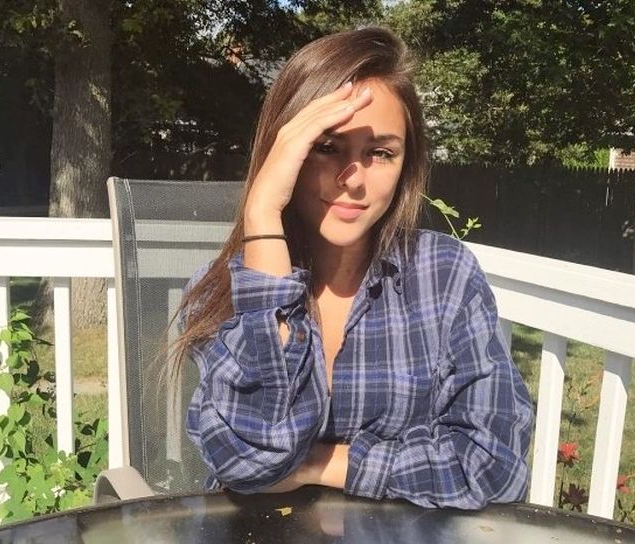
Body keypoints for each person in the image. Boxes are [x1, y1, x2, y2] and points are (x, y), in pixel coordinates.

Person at [173, 26, 533, 509]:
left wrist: (314, 466)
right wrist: (262, 211)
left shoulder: (443, 277)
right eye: (326, 147)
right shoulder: (221, 293)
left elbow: (495, 463)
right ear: (284, 155)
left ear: (405, 163)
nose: (353, 180)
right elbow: (249, 463)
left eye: (380, 153)